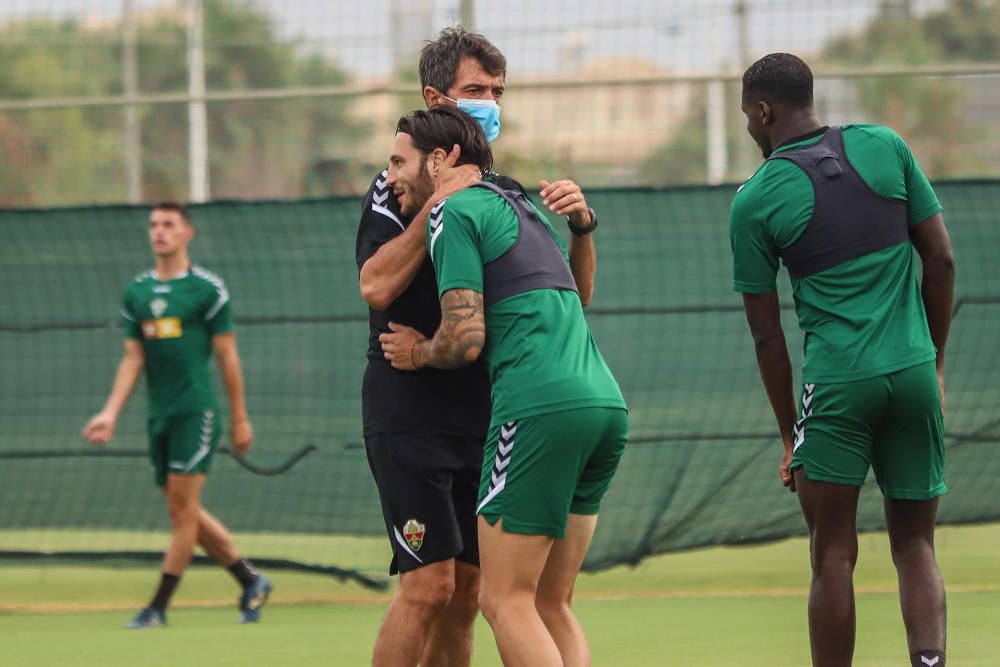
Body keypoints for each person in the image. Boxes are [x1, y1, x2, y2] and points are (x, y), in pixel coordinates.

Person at [356, 27, 598, 667]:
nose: (490, 102)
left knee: (468, 594)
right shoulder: (397, 184)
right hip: (411, 415)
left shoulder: (502, 192)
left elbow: (569, 299)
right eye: (475, 91)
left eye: (496, 91)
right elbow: (374, 284)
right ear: (436, 98)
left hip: (488, 415)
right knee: (427, 586)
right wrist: (439, 196)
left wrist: (580, 228)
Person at [729, 53, 954, 667]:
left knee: (832, 553)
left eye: (747, 114)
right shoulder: (884, 144)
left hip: (836, 387)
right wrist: (931, 364)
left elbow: (767, 336)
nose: (749, 125)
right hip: (912, 373)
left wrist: (786, 435)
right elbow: (942, 262)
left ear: (764, 110)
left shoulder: (754, 200)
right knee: (916, 545)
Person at [81, 202, 272, 629]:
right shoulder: (138, 293)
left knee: (182, 513)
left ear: (188, 233)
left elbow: (228, 356)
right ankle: (251, 580)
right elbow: (132, 359)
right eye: (153, 225)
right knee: (182, 510)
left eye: (169, 224)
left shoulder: (207, 290)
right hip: (159, 415)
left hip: (195, 413)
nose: (159, 232)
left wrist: (240, 418)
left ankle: (158, 607)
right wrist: (109, 413)